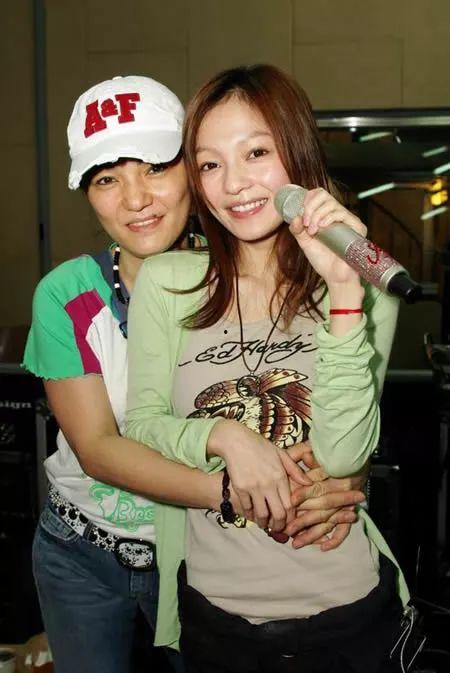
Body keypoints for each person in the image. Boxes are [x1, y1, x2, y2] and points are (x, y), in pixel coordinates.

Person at [22, 74, 362, 673]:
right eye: (107, 179)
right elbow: (99, 449)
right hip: (86, 550)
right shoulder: (66, 295)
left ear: (192, 170)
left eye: (156, 167)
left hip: (200, 553)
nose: (136, 199)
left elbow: (320, 406)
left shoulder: (255, 269)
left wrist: (337, 485)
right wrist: (246, 493)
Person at [125, 64, 410, 673]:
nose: (234, 184)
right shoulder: (167, 283)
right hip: (217, 620)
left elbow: (343, 456)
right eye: (209, 164)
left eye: (256, 152)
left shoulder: (360, 287)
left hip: (348, 615)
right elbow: (141, 425)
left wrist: (344, 293)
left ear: (298, 153)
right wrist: (226, 438)